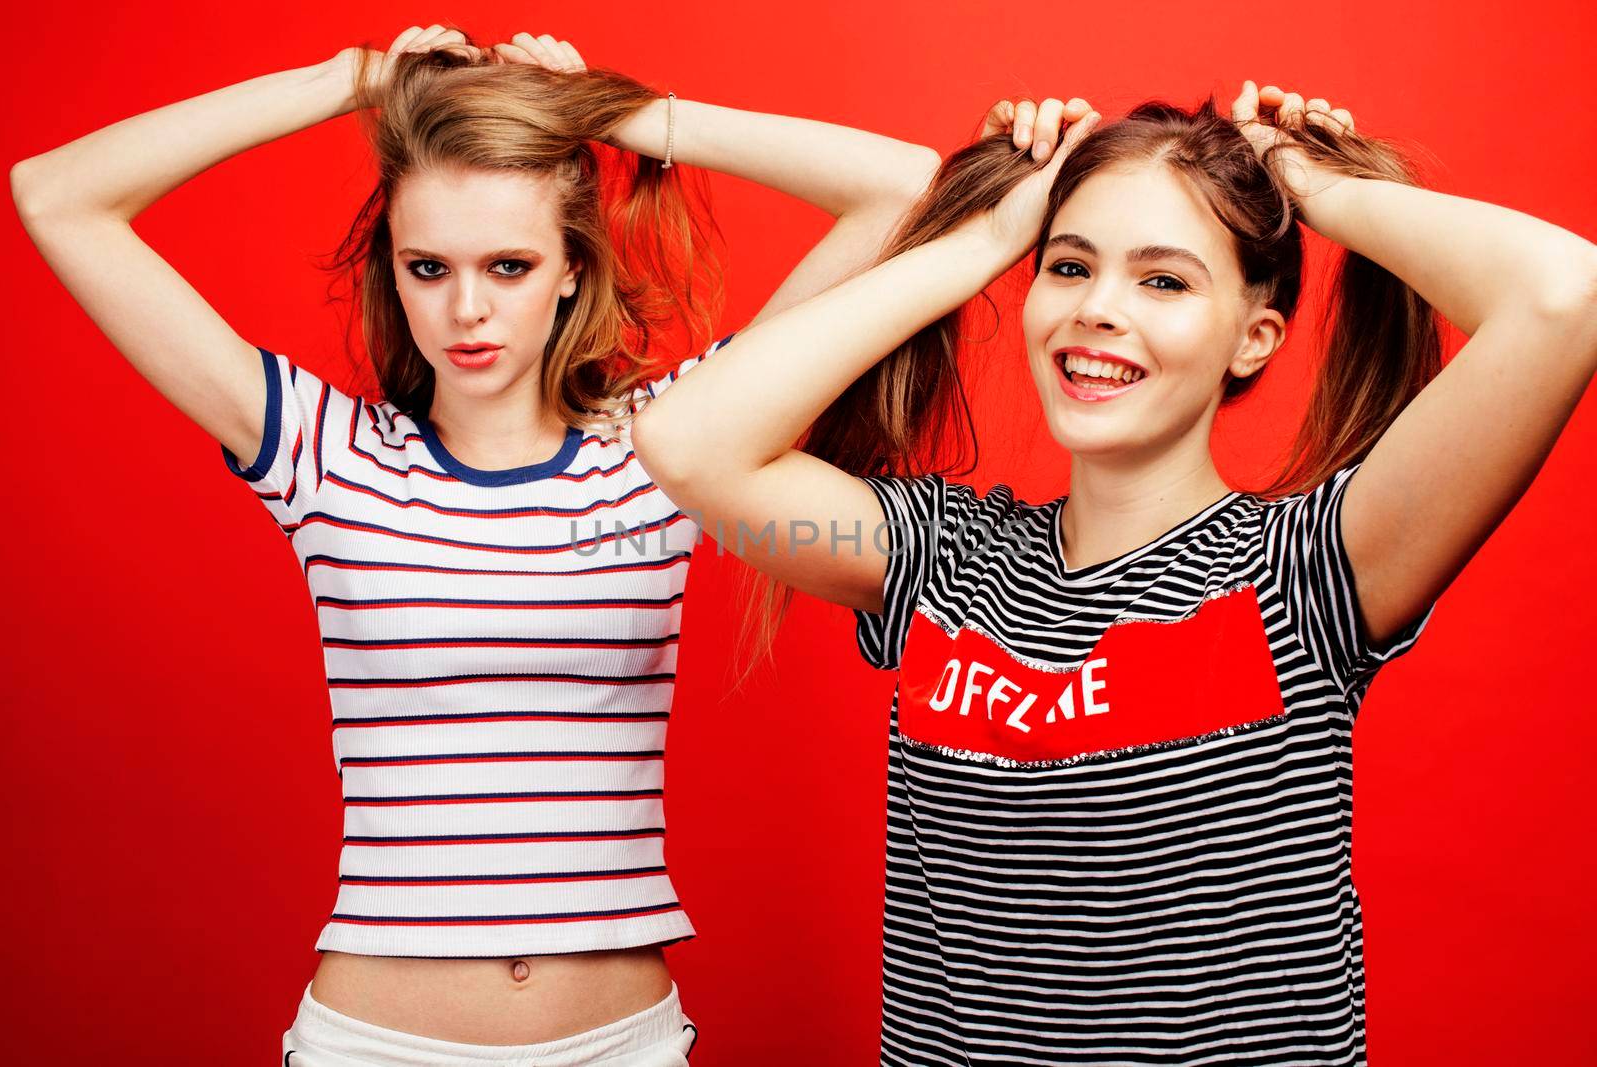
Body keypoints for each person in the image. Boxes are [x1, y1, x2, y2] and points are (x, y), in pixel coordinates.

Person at [10, 24, 943, 1065]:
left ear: (569, 270)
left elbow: (903, 188)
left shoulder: (670, 445)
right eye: (428, 266)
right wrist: (344, 83)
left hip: (617, 1043)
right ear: (393, 273)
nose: (466, 308)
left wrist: (609, 111)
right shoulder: (324, 455)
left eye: (509, 264)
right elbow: (56, 194)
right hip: (374, 1043)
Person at [632, 84, 1597, 1063]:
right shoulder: (940, 557)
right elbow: (688, 441)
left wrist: (1311, 183)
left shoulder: (1307, 572)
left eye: (1164, 281)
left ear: (1253, 335)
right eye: (1068, 265)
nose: (1097, 309)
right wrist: (978, 244)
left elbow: (1561, 295)